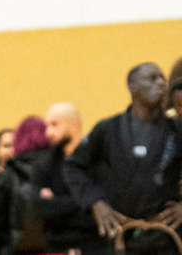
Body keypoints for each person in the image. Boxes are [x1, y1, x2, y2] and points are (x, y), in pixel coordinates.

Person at [65, 62, 182, 254]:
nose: (161, 83)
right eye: (152, 78)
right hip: (120, 236)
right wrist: (96, 202)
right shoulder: (108, 129)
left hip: (166, 236)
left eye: (163, 78)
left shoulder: (176, 130)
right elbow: (73, 166)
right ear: (132, 86)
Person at [32, 103, 108, 255]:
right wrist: (85, 201)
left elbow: (105, 208)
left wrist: (57, 202)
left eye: (54, 124)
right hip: (57, 247)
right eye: (47, 125)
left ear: (74, 125)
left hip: (96, 246)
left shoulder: (98, 160)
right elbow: (39, 208)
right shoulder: (43, 163)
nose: (48, 132)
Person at [0, 116, 50, 255]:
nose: (11, 150)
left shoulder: (12, 178)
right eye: (6, 146)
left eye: (14, 145)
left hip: (10, 248)